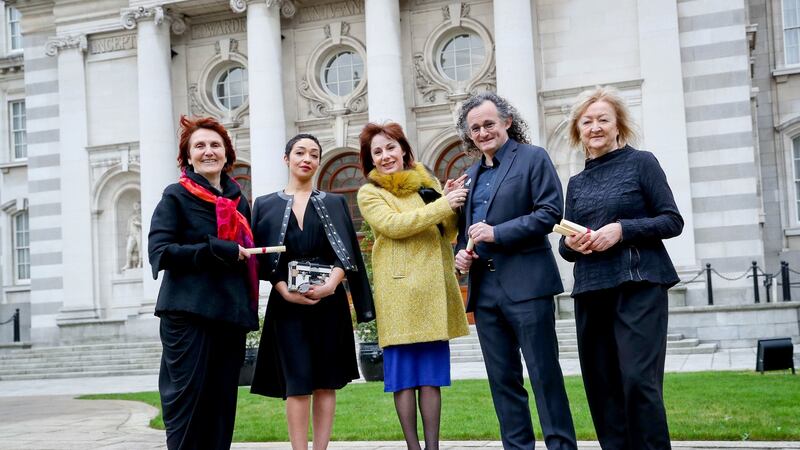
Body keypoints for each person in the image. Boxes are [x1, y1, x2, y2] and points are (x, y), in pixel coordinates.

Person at [559, 86, 683, 450]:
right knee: (602, 387)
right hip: (591, 289)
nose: (595, 127)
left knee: (638, 382)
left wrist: (622, 229)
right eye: (587, 121)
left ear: (618, 127)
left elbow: (671, 221)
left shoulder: (642, 162)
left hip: (639, 285)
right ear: (578, 130)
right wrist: (571, 243)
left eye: (603, 120)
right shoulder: (576, 182)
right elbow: (567, 248)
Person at [453, 92, 578, 450]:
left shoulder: (533, 158)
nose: (482, 132)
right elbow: (467, 233)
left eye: (488, 124)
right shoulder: (470, 175)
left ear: (507, 122)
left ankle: (561, 446)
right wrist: (462, 256)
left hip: (528, 287)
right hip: (486, 292)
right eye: (475, 128)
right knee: (502, 381)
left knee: (544, 376)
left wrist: (497, 232)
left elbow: (550, 213)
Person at [249, 134, 375, 450]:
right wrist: (283, 289)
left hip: (329, 304)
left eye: (314, 154)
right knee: (297, 383)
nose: (307, 158)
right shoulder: (264, 204)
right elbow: (260, 260)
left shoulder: (334, 202)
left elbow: (346, 253)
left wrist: (333, 284)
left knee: (325, 381)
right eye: (300, 152)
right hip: (287, 307)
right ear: (286, 158)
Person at [356, 122, 469, 450]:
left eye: (390, 147)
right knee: (403, 380)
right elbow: (394, 226)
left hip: (434, 291)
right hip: (400, 294)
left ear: (403, 149)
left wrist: (446, 197)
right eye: (377, 151)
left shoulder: (426, 183)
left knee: (432, 379)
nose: (385, 155)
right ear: (371, 160)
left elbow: (448, 230)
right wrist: (443, 204)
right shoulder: (371, 192)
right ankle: (413, 447)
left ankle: (432, 447)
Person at [148, 115, 258, 450]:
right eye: (200, 146)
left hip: (229, 316)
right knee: (187, 405)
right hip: (187, 315)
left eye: (215, 145)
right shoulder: (175, 196)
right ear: (188, 156)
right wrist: (214, 250)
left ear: (227, 153)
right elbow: (160, 253)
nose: (208, 151)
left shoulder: (240, 202)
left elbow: (249, 258)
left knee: (221, 409)